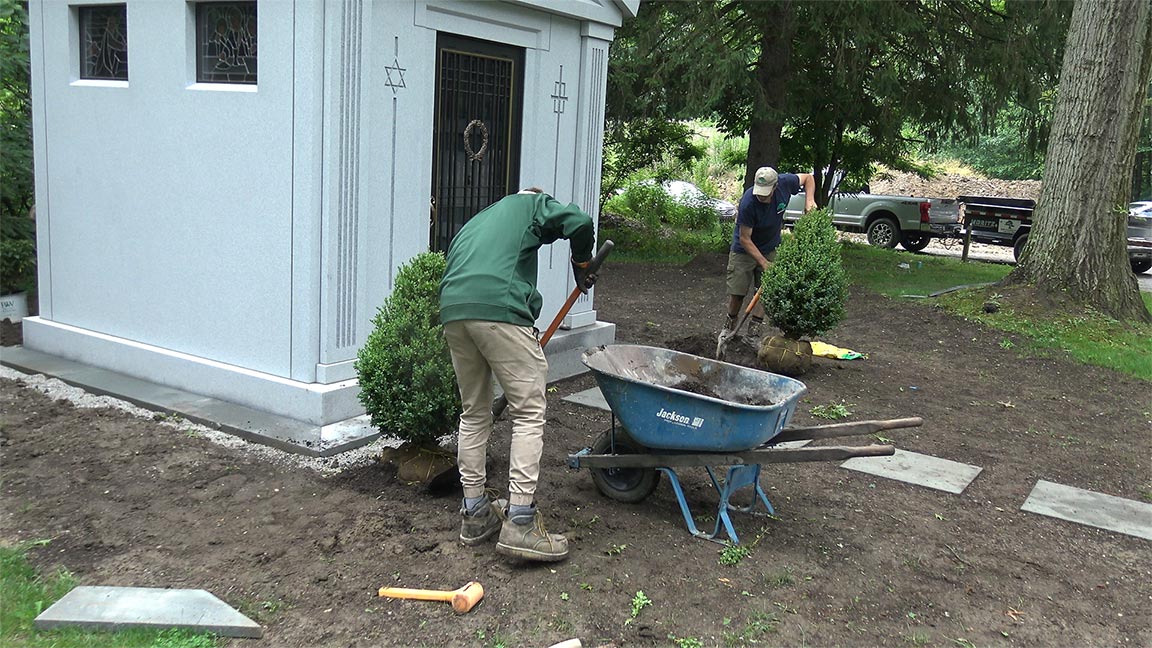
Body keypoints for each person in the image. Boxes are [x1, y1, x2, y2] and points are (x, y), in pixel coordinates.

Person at [439, 187, 596, 563]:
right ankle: (521, 521)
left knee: (474, 412)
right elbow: (579, 222)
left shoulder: (477, 221)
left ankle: (474, 512)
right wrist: (582, 263)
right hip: (499, 308)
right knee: (528, 411)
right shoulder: (531, 203)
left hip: (454, 310)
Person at [722, 166, 816, 345]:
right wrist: (763, 262)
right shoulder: (748, 202)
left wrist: (809, 200)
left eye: (766, 193)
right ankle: (728, 328)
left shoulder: (786, 183)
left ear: (775, 186)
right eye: (759, 192)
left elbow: (808, 178)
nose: (761, 196)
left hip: (770, 246)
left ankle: (753, 334)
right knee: (737, 292)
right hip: (744, 249)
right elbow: (745, 239)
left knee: (766, 290)